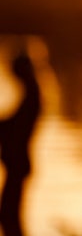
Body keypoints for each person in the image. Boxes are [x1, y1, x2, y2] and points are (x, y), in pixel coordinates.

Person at [0, 49, 42, 236]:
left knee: (9, 215)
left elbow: (16, 127)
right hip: (17, 163)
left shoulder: (32, 95)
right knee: (9, 215)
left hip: (18, 163)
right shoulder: (31, 93)